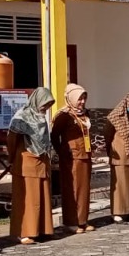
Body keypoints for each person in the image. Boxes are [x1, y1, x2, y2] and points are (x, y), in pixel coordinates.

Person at [6, 87, 56, 245]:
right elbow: (11, 140)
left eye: (48, 105)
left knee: (42, 197)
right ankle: (26, 232)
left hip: (42, 162)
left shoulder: (41, 118)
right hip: (26, 163)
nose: (45, 107)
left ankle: (42, 229)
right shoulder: (22, 117)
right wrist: (12, 157)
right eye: (44, 103)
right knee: (28, 198)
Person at [52, 84, 94, 234]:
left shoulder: (85, 113)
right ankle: (71, 221)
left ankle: (82, 220)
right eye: (79, 99)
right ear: (71, 99)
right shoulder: (64, 115)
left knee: (83, 190)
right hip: (71, 158)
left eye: (84, 98)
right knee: (72, 190)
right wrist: (63, 152)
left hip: (85, 156)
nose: (82, 102)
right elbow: (54, 136)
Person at [105, 91, 129, 222]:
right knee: (120, 185)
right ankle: (117, 213)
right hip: (119, 156)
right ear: (127, 103)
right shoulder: (115, 117)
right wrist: (111, 151)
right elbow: (107, 135)